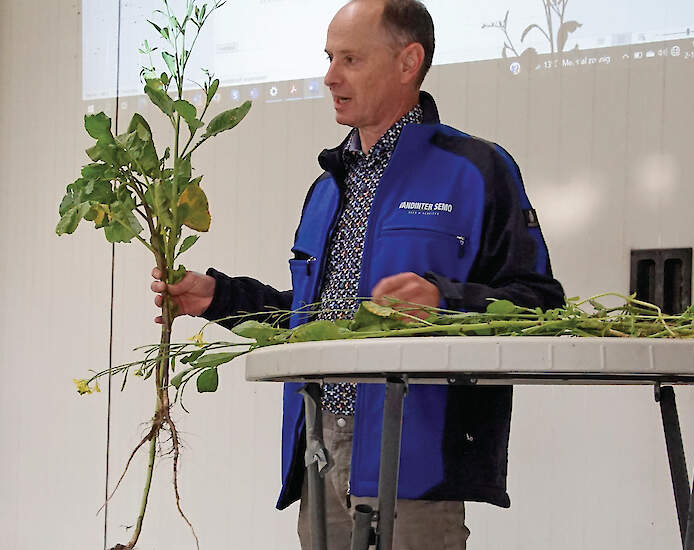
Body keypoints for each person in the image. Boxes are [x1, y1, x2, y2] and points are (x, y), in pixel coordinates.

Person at [150, 0, 564, 548]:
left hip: (417, 465)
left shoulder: (476, 170)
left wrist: (444, 301)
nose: (330, 77)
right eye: (329, 58)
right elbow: (315, 322)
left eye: (350, 59)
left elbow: (539, 302)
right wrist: (221, 297)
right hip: (320, 456)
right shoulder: (326, 188)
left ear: (408, 62)